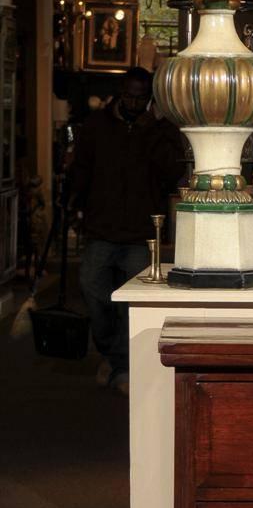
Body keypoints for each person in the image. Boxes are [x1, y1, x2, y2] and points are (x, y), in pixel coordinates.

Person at [68, 66, 186, 394]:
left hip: (140, 229)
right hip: (101, 225)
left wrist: (155, 130)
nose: (134, 103)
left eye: (141, 98)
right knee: (92, 289)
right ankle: (111, 352)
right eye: (129, 96)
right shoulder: (96, 126)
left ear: (149, 99)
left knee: (131, 299)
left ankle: (122, 364)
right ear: (121, 93)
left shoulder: (160, 130)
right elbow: (82, 168)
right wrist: (72, 201)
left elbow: (172, 172)